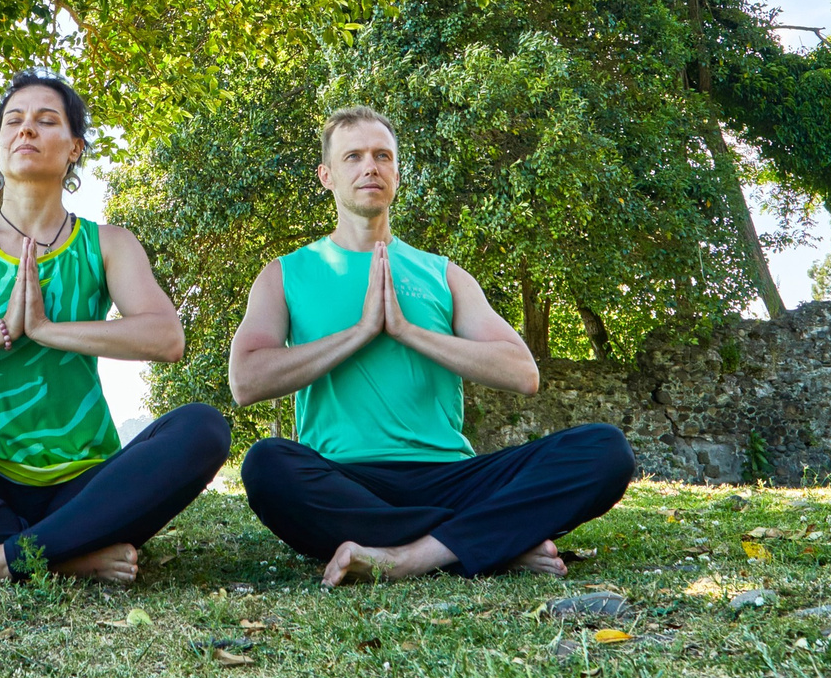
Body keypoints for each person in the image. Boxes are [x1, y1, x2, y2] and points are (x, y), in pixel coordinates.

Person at [0, 72, 230, 593]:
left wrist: (49, 329)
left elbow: (165, 337)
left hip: (82, 496)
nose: (26, 130)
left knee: (204, 428)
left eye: (46, 121)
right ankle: (59, 559)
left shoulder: (108, 245)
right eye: (14, 120)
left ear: (75, 148)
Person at [229, 105, 638, 586]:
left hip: (452, 479)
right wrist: (360, 332)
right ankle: (487, 542)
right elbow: (246, 380)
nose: (370, 167)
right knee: (266, 465)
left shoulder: (443, 273)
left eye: (382, 156)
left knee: (605, 450)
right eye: (353, 156)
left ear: (397, 173)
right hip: (346, 481)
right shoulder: (286, 273)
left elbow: (522, 374)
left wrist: (408, 331)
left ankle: (413, 556)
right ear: (327, 176)